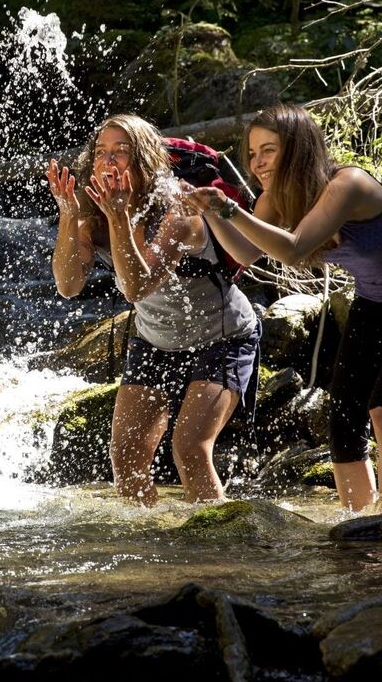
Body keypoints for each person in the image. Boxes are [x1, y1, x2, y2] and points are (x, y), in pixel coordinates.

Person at [47, 114, 259, 505]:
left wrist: (121, 220)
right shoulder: (93, 212)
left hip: (224, 337)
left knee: (190, 450)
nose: (109, 161)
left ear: (144, 159)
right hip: (155, 341)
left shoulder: (180, 210)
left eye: (121, 152)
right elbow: (68, 285)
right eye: (101, 152)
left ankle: (222, 549)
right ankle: (151, 551)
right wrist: (67, 214)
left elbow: (135, 286)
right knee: (126, 457)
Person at [184, 103, 382, 512]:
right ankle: (358, 522)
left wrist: (229, 208)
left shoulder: (348, 184)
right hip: (373, 300)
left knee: (381, 408)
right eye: (252, 154)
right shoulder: (278, 197)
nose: (257, 163)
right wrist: (212, 213)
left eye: (268, 150)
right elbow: (242, 251)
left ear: (297, 147)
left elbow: (293, 251)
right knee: (343, 419)